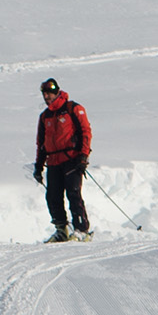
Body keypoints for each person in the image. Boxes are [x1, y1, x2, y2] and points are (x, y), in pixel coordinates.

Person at [32, 78, 93, 241]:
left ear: (57, 92)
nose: (47, 97)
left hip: (72, 159)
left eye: (49, 93)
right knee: (53, 196)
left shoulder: (73, 109)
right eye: (44, 94)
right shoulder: (45, 116)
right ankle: (61, 230)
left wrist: (83, 156)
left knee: (73, 193)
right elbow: (41, 144)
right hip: (53, 161)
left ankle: (81, 229)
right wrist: (38, 167)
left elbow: (85, 132)